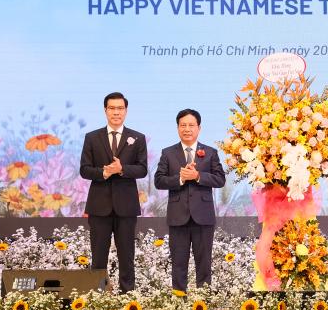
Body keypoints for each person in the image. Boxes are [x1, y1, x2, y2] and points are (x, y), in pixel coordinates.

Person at [79, 92, 147, 292]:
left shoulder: (138, 137)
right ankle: (98, 296)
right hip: (99, 207)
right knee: (98, 257)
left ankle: (128, 297)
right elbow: (84, 169)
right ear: (105, 110)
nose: (116, 112)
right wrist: (104, 172)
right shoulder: (92, 137)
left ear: (125, 111)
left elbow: (142, 169)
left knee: (127, 256)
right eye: (112, 108)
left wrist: (122, 169)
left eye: (120, 108)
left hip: (126, 207)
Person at [154, 108, 226, 291]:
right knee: (178, 264)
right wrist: (180, 179)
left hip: (203, 217)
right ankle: (179, 304)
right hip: (178, 218)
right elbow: (159, 181)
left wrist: (197, 175)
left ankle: (204, 302)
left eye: (191, 125)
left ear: (199, 128)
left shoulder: (210, 152)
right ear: (178, 128)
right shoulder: (168, 153)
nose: (187, 129)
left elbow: (220, 179)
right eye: (183, 125)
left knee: (204, 264)